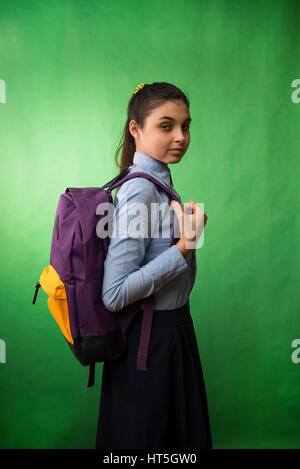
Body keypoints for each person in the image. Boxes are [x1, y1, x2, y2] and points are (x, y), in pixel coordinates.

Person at [95, 82, 212, 450]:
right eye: (166, 126)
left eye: (186, 125)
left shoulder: (160, 181)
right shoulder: (141, 190)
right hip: (151, 343)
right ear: (136, 129)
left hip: (174, 333)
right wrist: (184, 247)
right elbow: (114, 294)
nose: (180, 137)